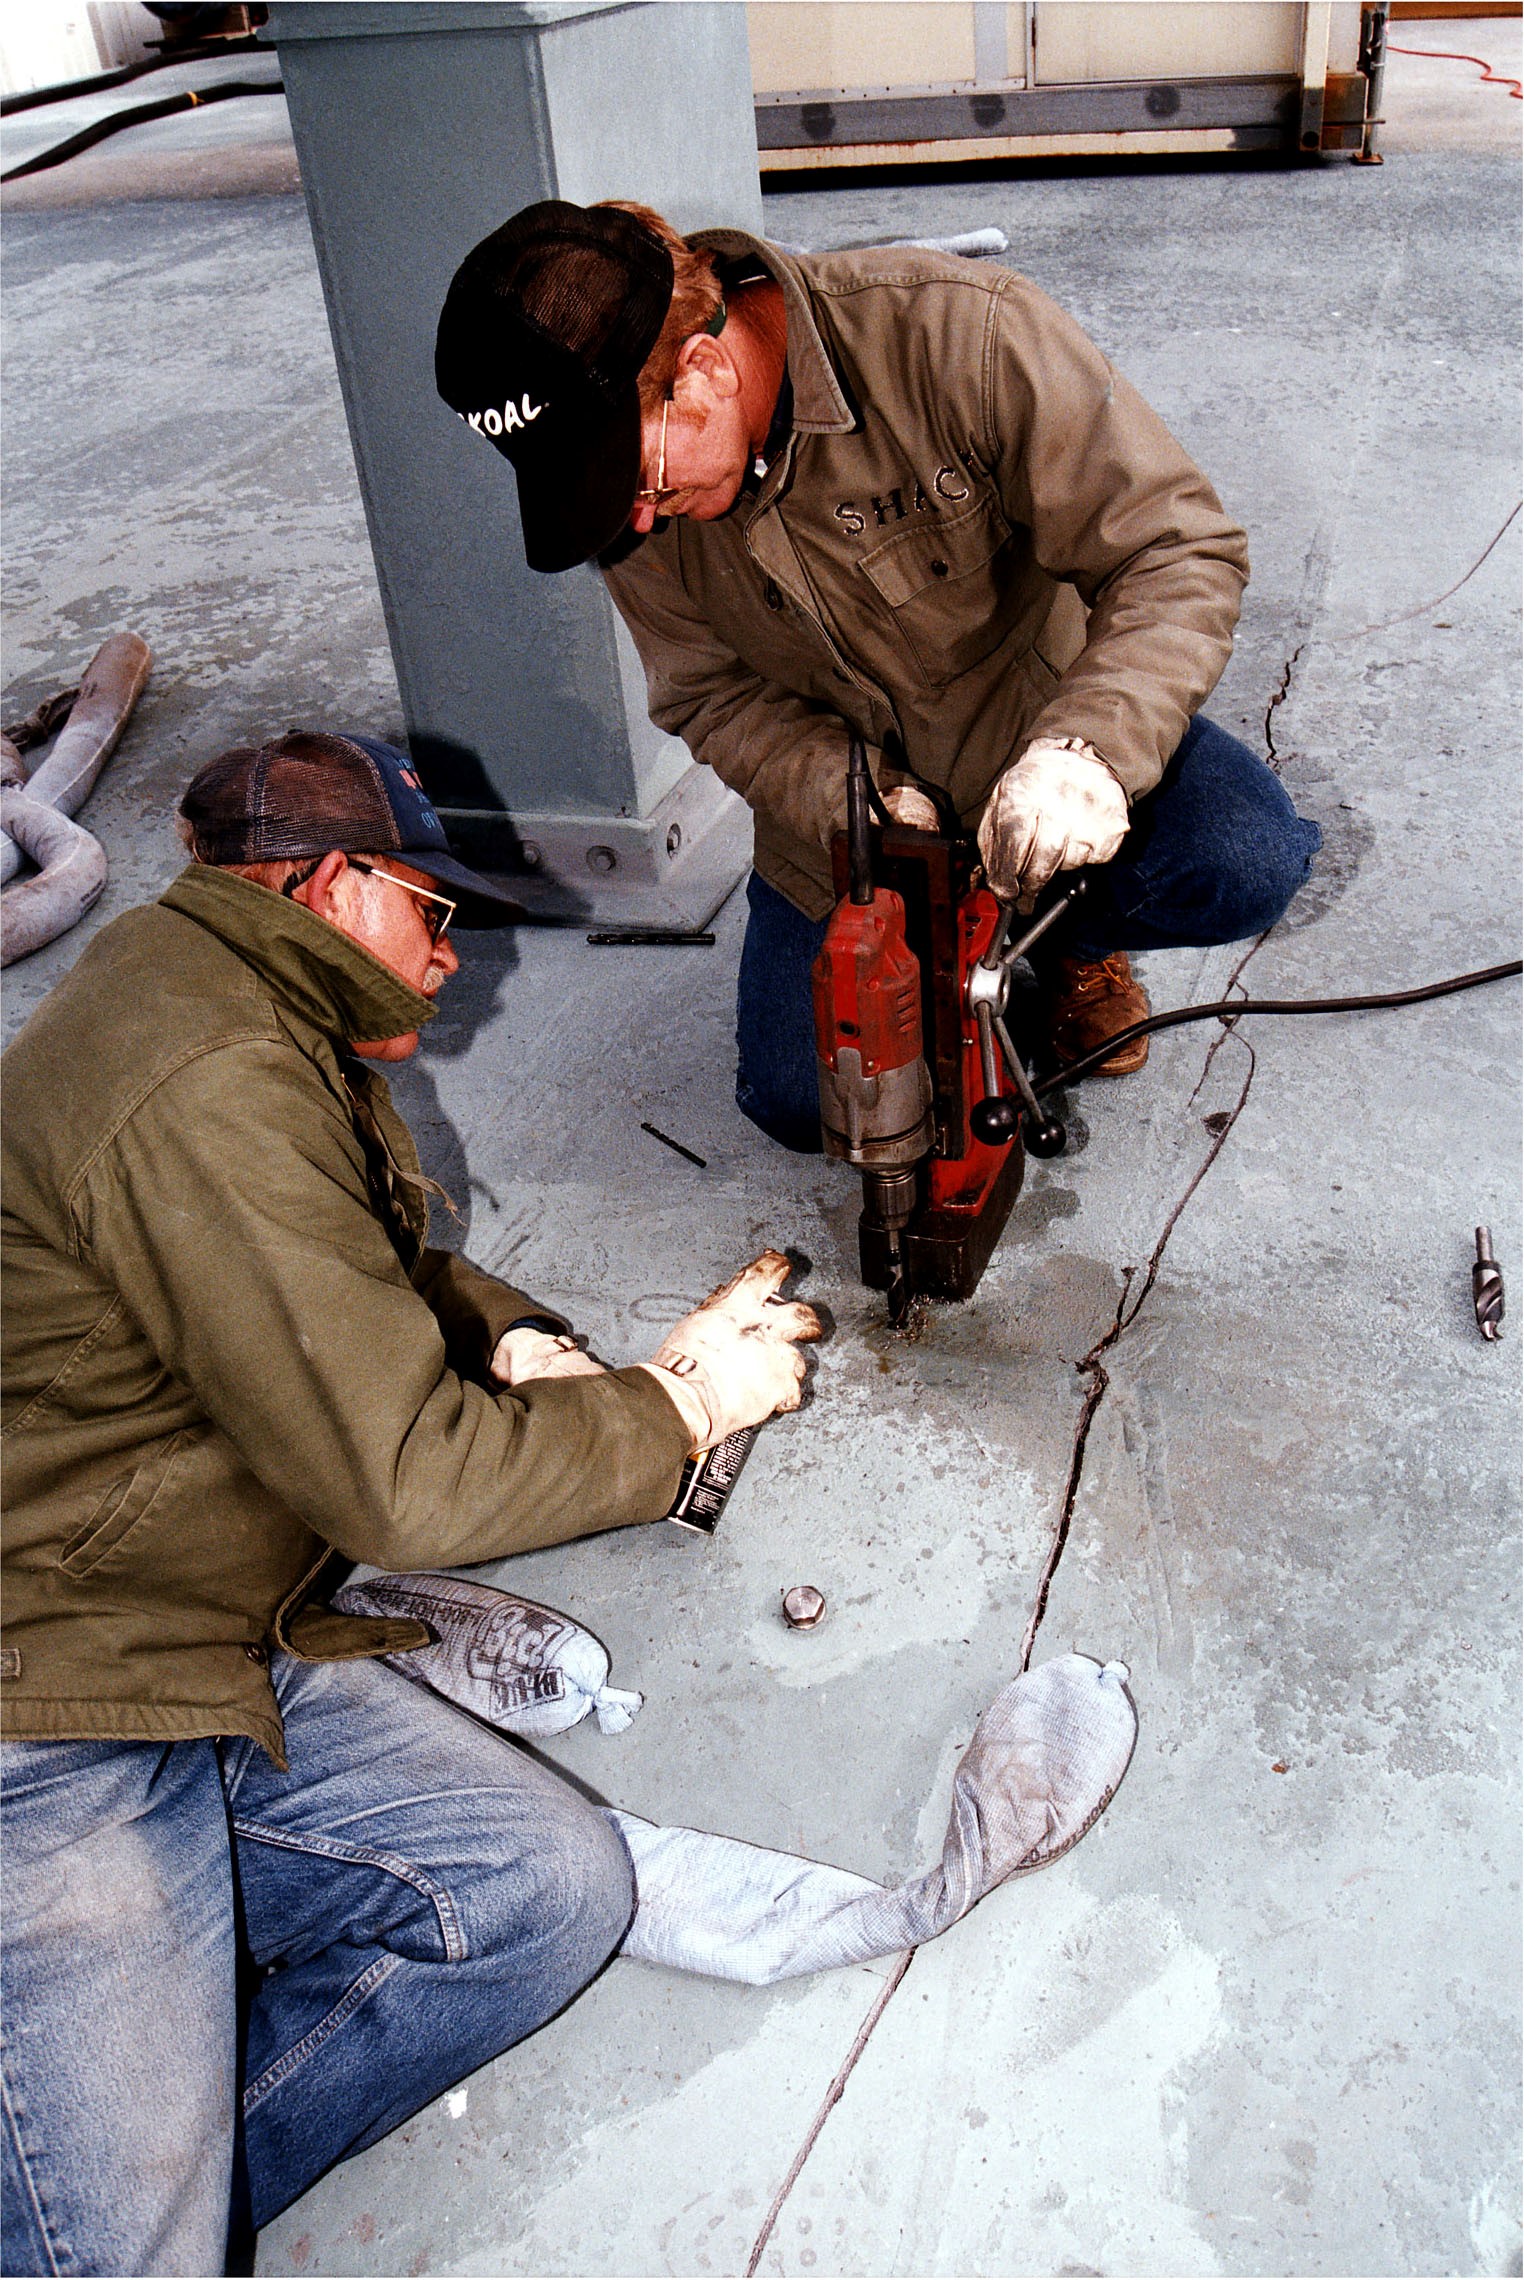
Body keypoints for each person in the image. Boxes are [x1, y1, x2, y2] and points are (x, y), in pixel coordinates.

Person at [0, 728, 820, 2276]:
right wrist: (677, 1412)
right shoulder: (213, 1076)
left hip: (206, 1633)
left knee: (542, 1894)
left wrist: (489, 1327)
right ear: (324, 884)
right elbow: (406, 1482)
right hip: (46, 1702)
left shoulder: (220, 988)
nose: (451, 953)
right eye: (430, 912)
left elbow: (333, 1258)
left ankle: (88, 2170)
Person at [436, 198, 1321, 1150]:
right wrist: (843, 799)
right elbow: (707, 694)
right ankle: (961, 965)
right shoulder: (636, 502)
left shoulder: (959, 337)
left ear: (702, 369)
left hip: (1034, 750)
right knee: (795, 1103)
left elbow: (1175, 552)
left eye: (643, 480)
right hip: (850, 833)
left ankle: (1073, 944)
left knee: (1245, 859)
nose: (640, 520)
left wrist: (1088, 754)